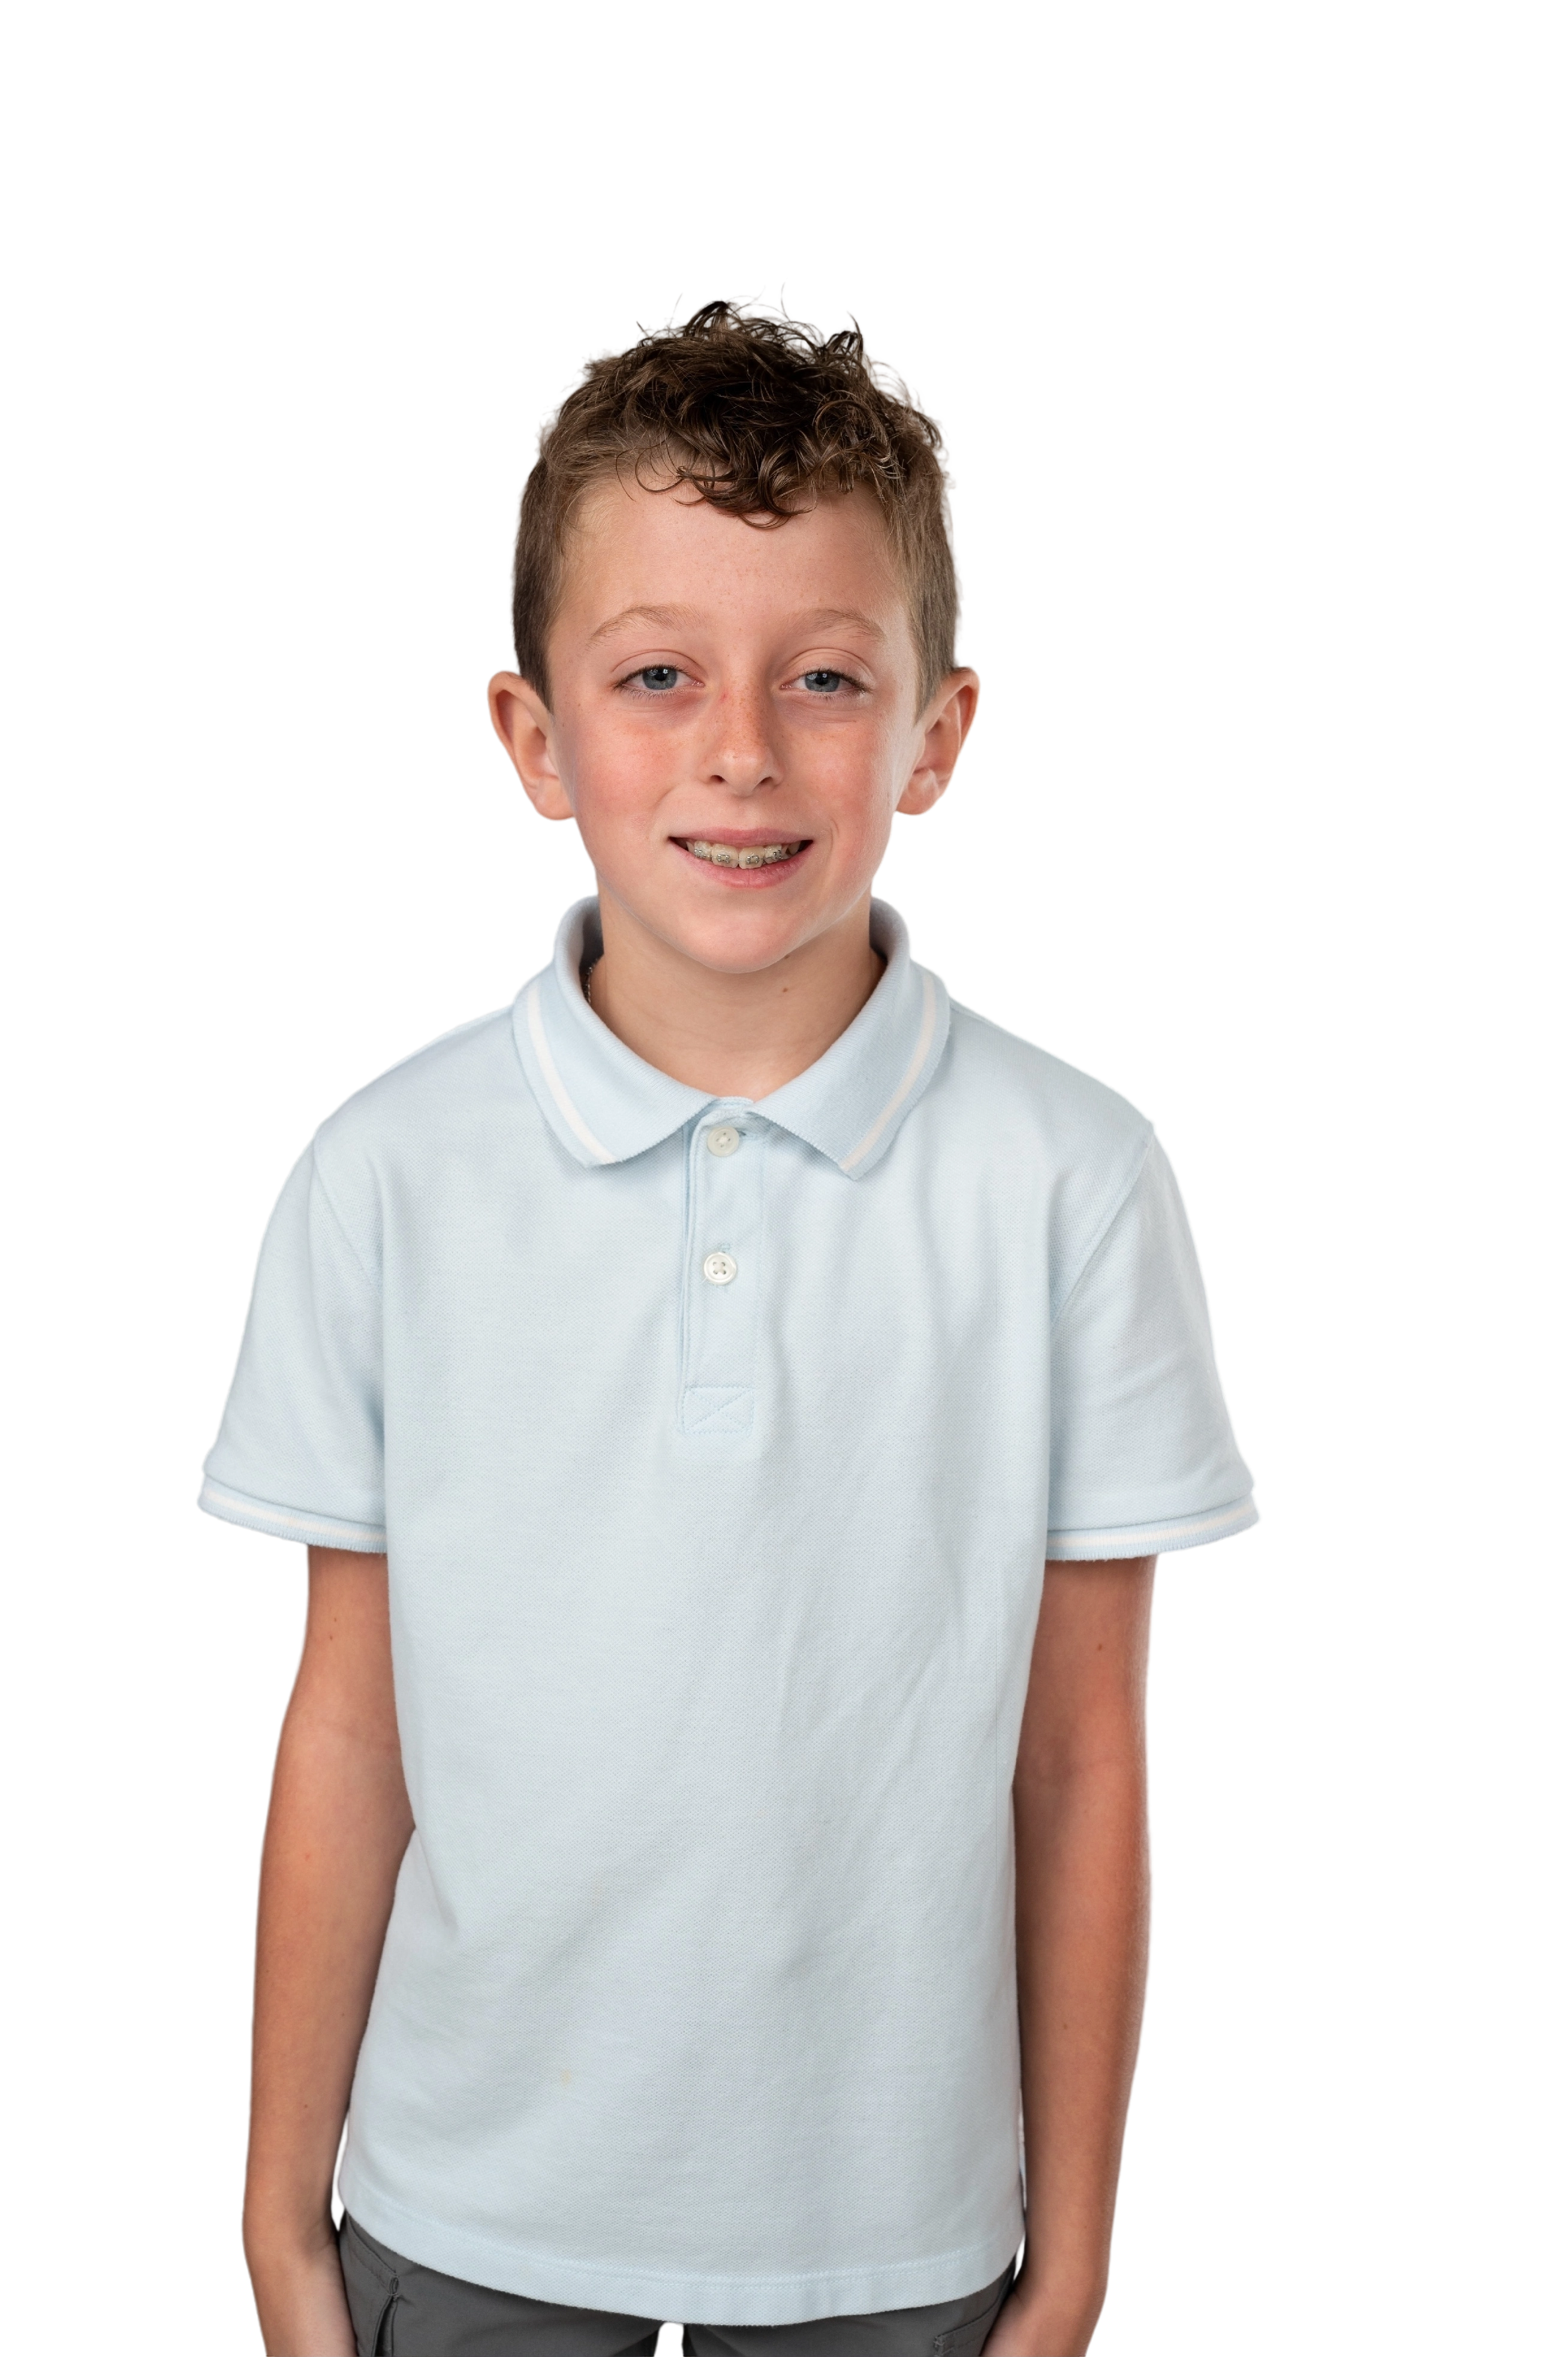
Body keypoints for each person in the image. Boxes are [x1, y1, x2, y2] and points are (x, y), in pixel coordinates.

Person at [196, 291, 1260, 2357]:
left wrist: (1072, 2255)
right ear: (535, 737)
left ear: (937, 733)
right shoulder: (387, 1170)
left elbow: (1079, 1756)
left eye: (826, 676)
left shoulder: (1071, 1179)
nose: (741, 751)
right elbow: (348, 1722)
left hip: (902, 2238)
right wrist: (275, 2214)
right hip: (463, 2209)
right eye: (658, 674)